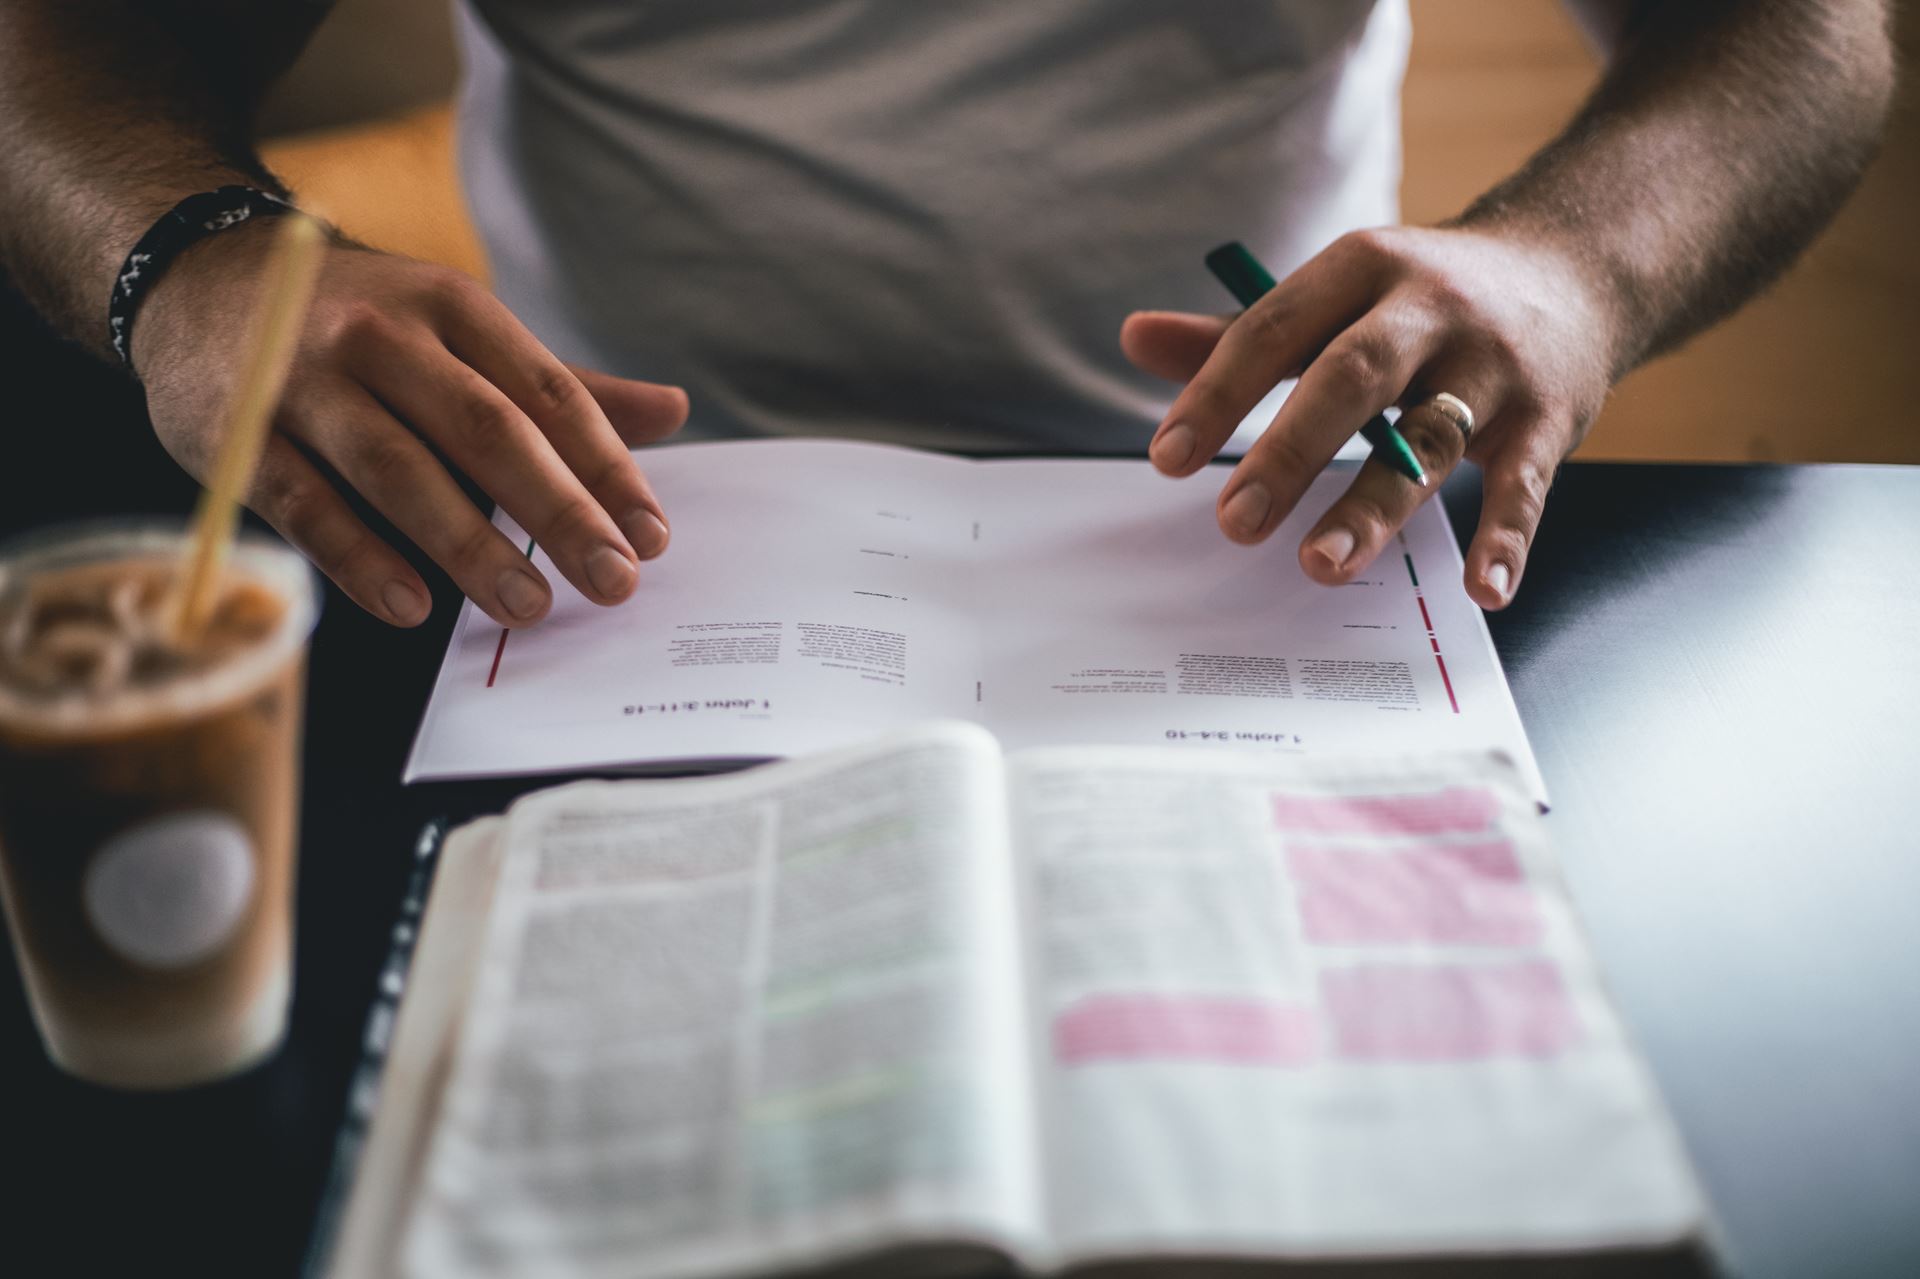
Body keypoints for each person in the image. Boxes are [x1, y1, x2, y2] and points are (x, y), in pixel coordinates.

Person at [0, 1, 1895, 630]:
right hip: (598, 556)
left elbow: (1801, 26)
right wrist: (205, 260)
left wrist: (1567, 266)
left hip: (1276, 529)